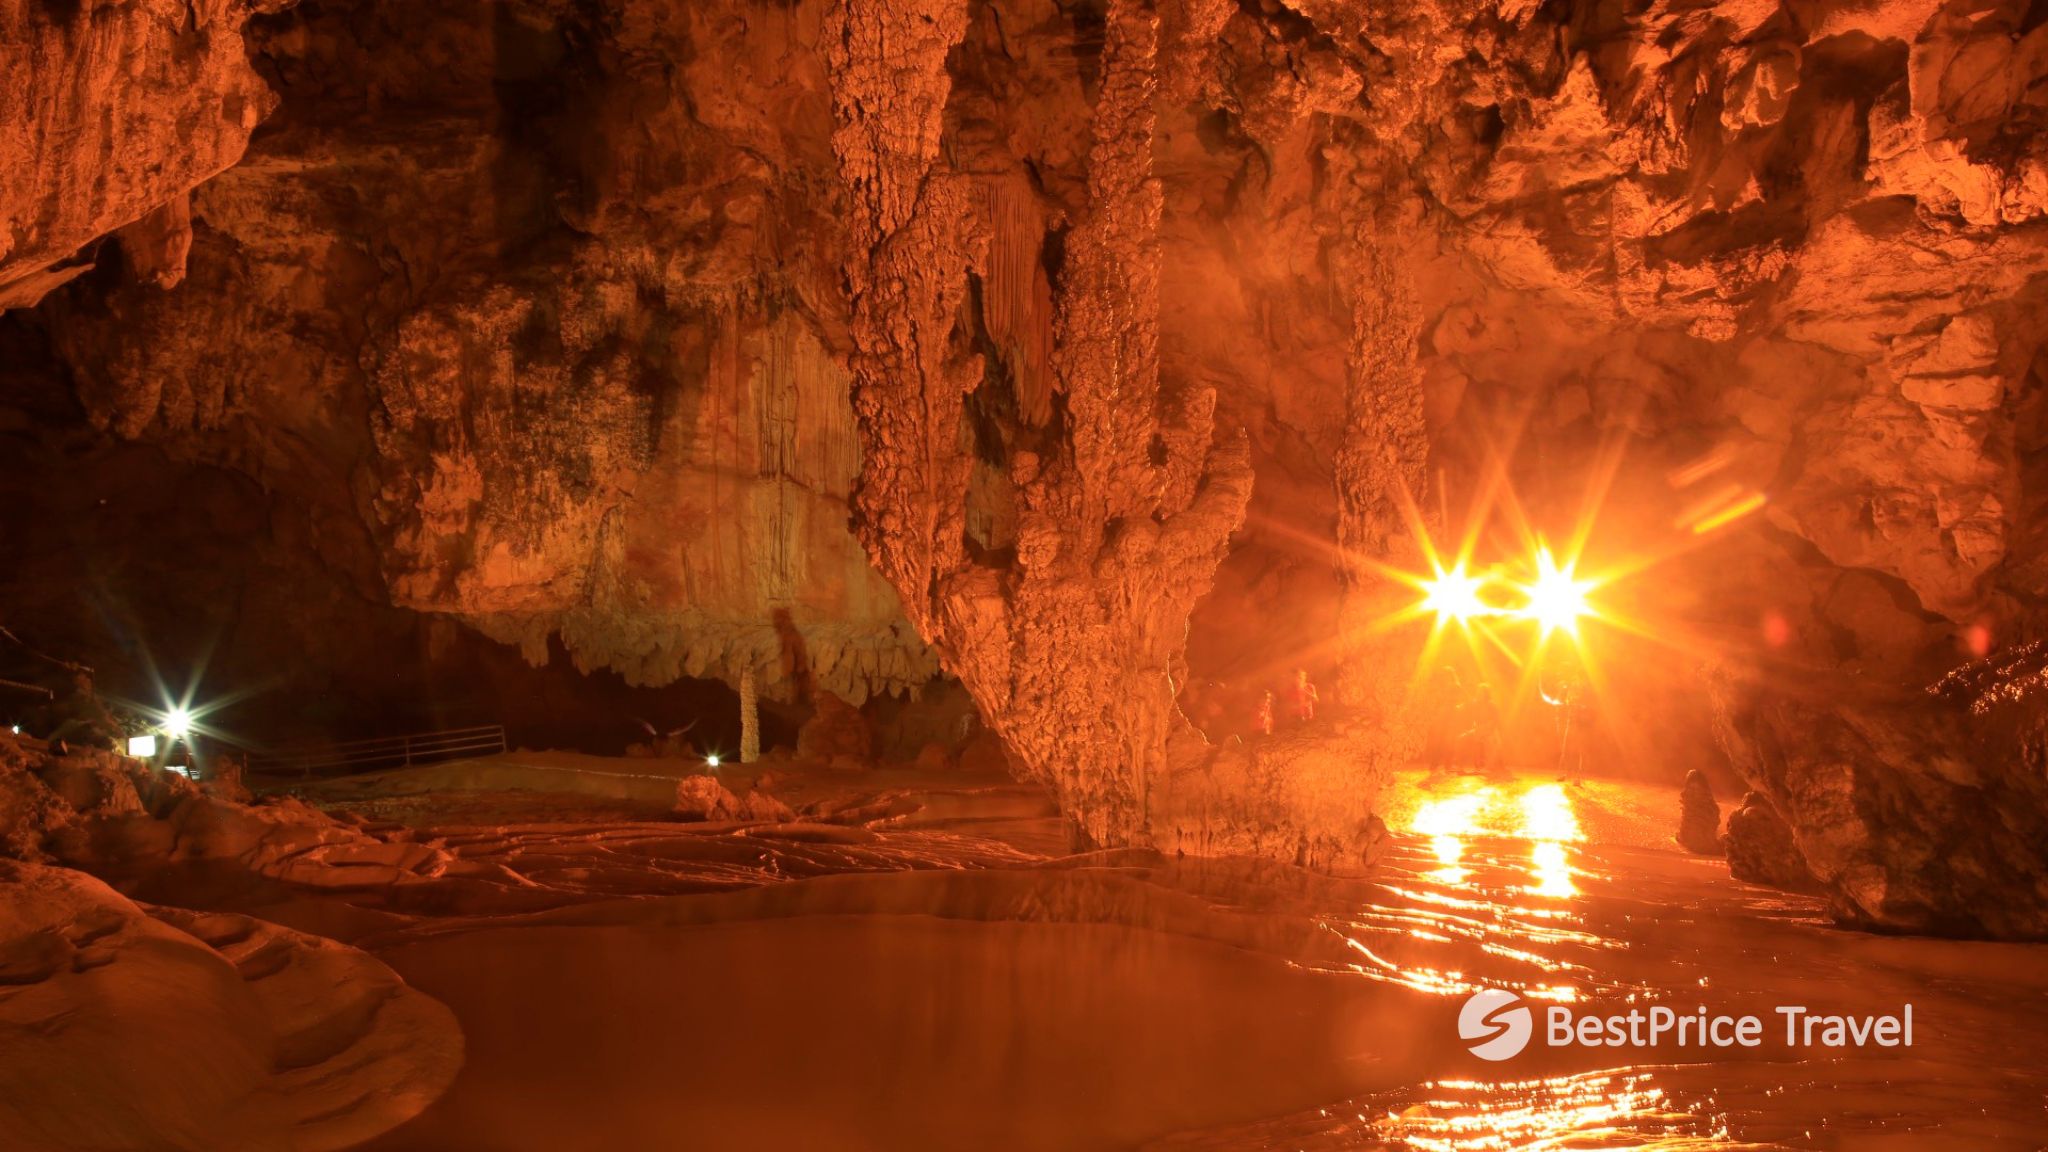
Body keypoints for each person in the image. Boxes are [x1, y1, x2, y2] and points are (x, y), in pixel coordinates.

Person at [1540, 656, 1591, 783]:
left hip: (1575, 718)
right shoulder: (1562, 684)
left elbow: (1576, 700)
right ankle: (1565, 772)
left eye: (1563, 671)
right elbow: (1556, 698)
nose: (1560, 673)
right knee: (1564, 746)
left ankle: (1578, 776)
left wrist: (1568, 704)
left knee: (1576, 746)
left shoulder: (1577, 683)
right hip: (1563, 717)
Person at [1424, 665, 1464, 775]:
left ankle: (1445, 765)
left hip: (1451, 714)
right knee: (1441, 739)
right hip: (1445, 714)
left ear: (1449, 675)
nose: (1444, 678)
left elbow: (1457, 700)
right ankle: (1437, 764)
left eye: (1445, 675)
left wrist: (1449, 703)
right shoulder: (1447, 686)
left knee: (1448, 740)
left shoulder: (1455, 686)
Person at [1676, 768, 1722, 855]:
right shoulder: (1688, 804)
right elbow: (1685, 824)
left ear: (1703, 789)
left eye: (1696, 789)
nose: (1694, 792)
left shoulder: (1709, 807)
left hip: (1705, 845)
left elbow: (1712, 826)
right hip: (1690, 843)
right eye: (1691, 789)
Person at [1461, 683, 1500, 774]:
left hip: (1491, 731)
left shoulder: (1492, 705)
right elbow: (1474, 720)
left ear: (1486, 694)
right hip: (1479, 729)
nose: (1478, 693)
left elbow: (1494, 722)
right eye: (1478, 691)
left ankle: (1488, 767)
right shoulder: (1476, 705)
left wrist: (1485, 731)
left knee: (1491, 741)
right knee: (1464, 738)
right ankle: (1475, 766)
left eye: (1480, 692)